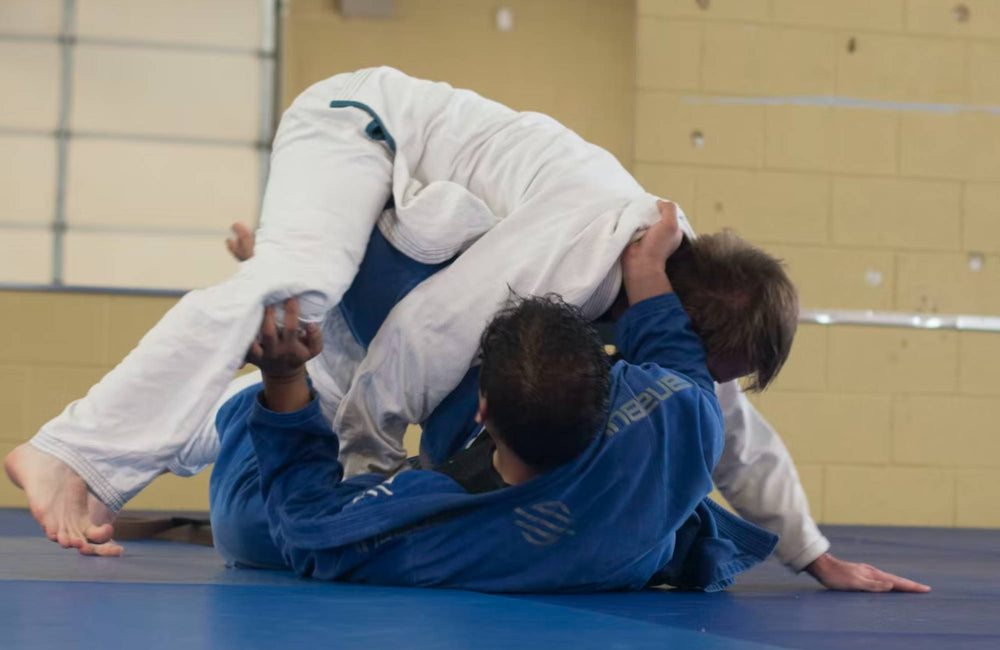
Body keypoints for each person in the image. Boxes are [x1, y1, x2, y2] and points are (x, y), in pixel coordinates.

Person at [5, 68, 928, 592]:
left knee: (315, 359)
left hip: (414, 224)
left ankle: (267, 365)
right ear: (683, 316)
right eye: (711, 359)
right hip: (357, 129)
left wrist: (814, 553)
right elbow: (420, 334)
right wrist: (365, 480)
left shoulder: (669, 308)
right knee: (301, 286)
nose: (704, 376)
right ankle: (70, 451)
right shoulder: (581, 247)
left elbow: (731, 427)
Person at [208, 211, 777, 591]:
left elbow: (304, 526)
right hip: (571, 524)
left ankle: (272, 374)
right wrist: (649, 270)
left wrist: (283, 381)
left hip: (257, 463)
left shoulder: (433, 529)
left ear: (482, 410)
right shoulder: (681, 418)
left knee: (252, 530)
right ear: (609, 389)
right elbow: (675, 353)